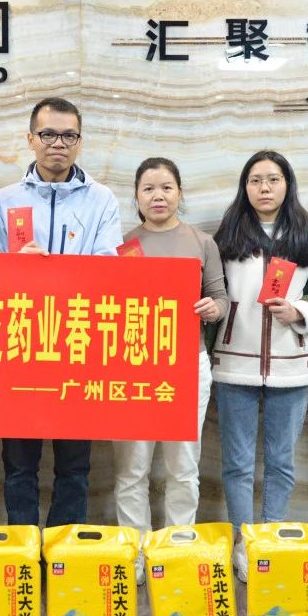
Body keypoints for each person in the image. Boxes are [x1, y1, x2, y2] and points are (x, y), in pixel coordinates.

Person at [0, 96, 121, 528]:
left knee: (75, 464)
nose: (57, 143)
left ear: (79, 142)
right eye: (48, 134)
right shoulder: (4, 200)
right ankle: (24, 545)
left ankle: (66, 547)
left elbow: (108, 268)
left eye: (68, 135)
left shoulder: (102, 200)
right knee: (19, 463)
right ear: (31, 139)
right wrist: (17, 269)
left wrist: (54, 273)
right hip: (20, 346)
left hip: (79, 346)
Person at [211, 150, 308, 582]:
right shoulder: (227, 235)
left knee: (282, 461)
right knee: (238, 463)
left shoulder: (306, 236)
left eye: (273, 179)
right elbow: (212, 291)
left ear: (287, 184)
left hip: (290, 365)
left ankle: (270, 537)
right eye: (256, 180)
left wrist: (300, 310)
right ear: (245, 187)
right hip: (234, 365)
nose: (264, 188)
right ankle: (243, 542)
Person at [113, 157, 228, 584]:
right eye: (148, 189)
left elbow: (220, 297)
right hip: (133, 367)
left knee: (183, 466)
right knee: (132, 467)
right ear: (137, 196)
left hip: (186, 365)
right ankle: (136, 554)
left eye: (166, 188)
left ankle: (177, 551)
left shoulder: (201, 242)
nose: (158, 196)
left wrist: (213, 308)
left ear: (179, 192)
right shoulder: (122, 245)